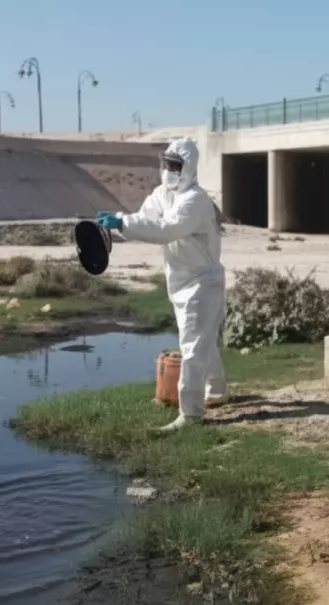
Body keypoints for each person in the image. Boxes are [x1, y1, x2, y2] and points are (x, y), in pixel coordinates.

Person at [96, 138, 226, 431]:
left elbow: (166, 230)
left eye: (174, 165)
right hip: (181, 280)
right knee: (204, 341)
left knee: (193, 347)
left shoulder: (195, 200)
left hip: (202, 283)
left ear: (188, 168)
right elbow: (146, 218)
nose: (168, 170)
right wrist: (121, 220)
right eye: (166, 164)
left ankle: (190, 414)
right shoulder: (162, 194)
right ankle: (216, 392)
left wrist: (122, 224)